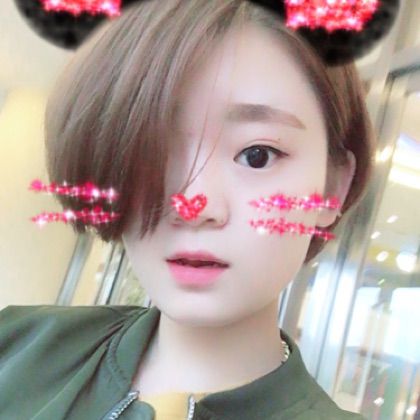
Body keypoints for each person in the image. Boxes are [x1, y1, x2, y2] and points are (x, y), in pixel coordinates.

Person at [1, 0, 388, 418]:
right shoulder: (18, 345)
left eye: (257, 155)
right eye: (154, 150)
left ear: (332, 188)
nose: (192, 207)